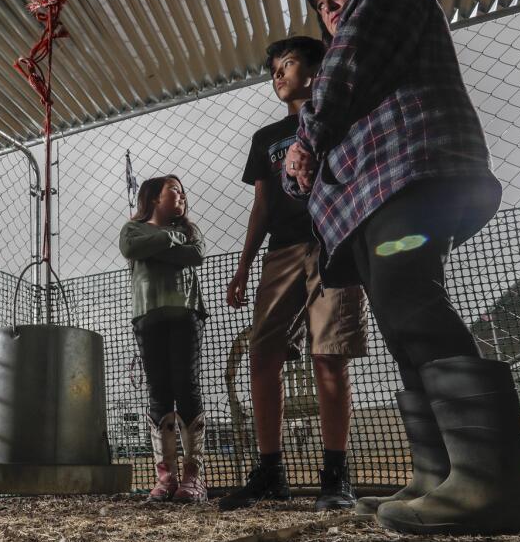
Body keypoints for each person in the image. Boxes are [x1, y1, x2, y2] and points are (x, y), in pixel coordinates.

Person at [283, 0, 520, 535]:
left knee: (409, 298)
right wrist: (302, 155)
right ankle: (442, 473)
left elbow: (342, 71)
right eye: (322, 6)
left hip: (409, 170)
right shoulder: (336, 88)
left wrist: (306, 142)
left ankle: (495, 482)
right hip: (369, 201)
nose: (331, 11)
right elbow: (303, 165)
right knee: (400, 322)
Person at [219, 37, 368, 513]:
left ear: (315, 70)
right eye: (273, 71)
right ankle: (269, 471)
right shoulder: (266, 138)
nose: (278, 75)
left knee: (329, 355)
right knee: (264, 355)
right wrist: (244, 263)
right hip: (281, 253)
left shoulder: (343, 119)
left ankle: (335, 475)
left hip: (333, 243)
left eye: (287, 65)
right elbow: (261, 205)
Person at [119, 176, 208, 503]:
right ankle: (166, 477)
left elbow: (195, 255)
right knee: (158, 391)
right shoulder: (132, 229)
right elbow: (132, 247)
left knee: (186, 386)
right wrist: (171, 241)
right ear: (154, 197)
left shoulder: (189, 231)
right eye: (175, 191)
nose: (182, 196)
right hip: (148, 316)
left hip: (186, 314)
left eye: (183, 192)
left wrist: (157, 244)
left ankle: (192, 477)